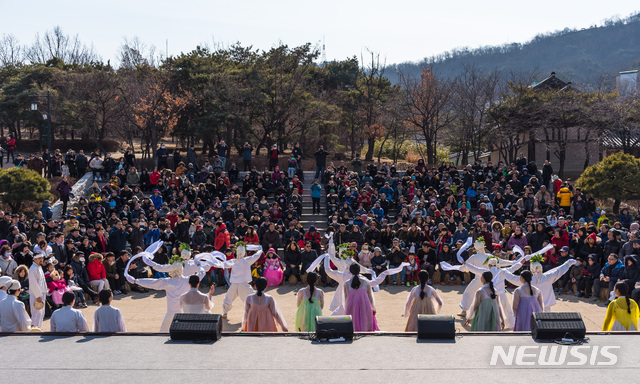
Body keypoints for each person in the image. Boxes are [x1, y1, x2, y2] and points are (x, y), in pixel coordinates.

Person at [506, 257, 579, 312]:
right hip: (546, 307)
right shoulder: (548, 277)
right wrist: (569, 262)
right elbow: (559, 269)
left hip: (533, 307)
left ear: (531, 270)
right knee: (546, 327)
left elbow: (514, 278)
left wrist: (503, 272)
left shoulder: (529, 280)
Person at [221, 246, 263, 319]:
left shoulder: (233, 261)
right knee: (252, 297)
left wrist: (211, 262)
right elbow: (256, 255)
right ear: (244, 253)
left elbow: (222, 264)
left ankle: (225, 312)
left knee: (228, 298)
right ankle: (255, 312)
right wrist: (260, 249)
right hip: (243, 284)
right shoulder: (247, 260)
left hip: (234, 284)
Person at [344, 263, 378, 332]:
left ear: (350, 271)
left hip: (352, 305)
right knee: (364, 319)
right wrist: (373, 307)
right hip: (364, 304)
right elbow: (370, 296)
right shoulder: (366, 282)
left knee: (353, 320)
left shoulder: (347, 283)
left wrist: (346, 307)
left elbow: (346, 297)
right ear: (359, 270)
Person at [28, 253, 47, 329]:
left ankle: (39, 327)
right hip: (36, 294)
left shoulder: (39, 267)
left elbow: (43, 281)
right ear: (34, 259)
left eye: (41, 258)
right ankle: (34, 328)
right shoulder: (33, 268)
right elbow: (33, 283)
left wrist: (45, 290)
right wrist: (37, 296)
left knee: (41, 313)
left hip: (42, 292)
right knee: (36, 313)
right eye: (39, 258)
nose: (41, 260)